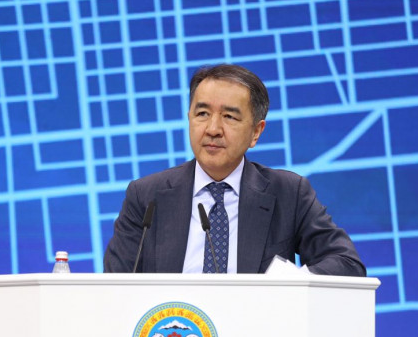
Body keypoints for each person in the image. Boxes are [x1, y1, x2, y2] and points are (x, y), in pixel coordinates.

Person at [103, 64, 365, 277]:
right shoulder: (146, 197)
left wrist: (289, 285)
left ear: (256, 132)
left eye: (229, 117)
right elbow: (114, 285)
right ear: (189, 118)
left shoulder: (289, 194)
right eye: (202, 113)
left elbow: (347, 263)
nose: (213, 129)